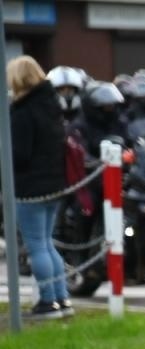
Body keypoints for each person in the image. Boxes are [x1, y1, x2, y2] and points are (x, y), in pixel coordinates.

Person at [8, 56, 71, 320]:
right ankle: (61, 297)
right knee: (47, 244)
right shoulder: (51, 104)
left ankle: (47, 302)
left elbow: (19, 154)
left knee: (37, 246)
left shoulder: (22, 111)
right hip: (54, 184)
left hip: (30, 187)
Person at [74, 81, 127, 153]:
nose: (112, 109)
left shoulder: (119, 123)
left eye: (113, 105)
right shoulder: (80, 128)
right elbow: (81, 154)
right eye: (107, 106)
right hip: (95, 162)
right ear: (94, 107)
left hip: (121, 162)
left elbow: (130, 144)